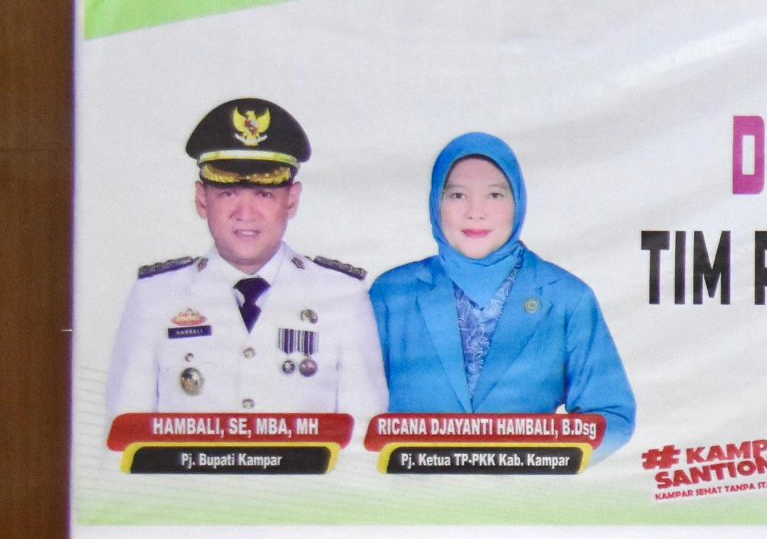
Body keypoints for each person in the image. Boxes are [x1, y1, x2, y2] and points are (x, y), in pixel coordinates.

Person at [105, 98, 387, 433]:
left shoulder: (342, 297)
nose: (245, 213)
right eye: (228, 193)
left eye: (264, 194)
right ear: (201, 199)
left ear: (292, 200)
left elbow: (364, 438)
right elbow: (124, 436)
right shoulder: (156, 298)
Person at [373, 132, 638, 458]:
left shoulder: (566, 298)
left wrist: (540, 466)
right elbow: (356, 413)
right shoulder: (391, 294)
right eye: (457, 195)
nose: (475, 212)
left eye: (495, 195)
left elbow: (612, 415)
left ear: (518, 203)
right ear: (435, 203)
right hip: (409, 487)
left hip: (523, 488)